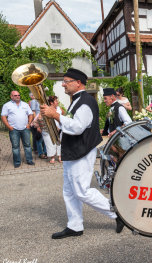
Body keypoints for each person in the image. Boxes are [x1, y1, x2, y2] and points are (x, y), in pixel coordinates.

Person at [40, 68, 124, 239]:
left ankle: (117, 213)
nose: (63, 84)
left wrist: (55, 115)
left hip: (81, 151)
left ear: (78, 83)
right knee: (69, 191)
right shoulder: (77, 100)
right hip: (74, 150)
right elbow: (71, 123)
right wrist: (58, 118)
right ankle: (75, 225)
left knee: (82, 191)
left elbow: (78, 127)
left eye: (66, 81)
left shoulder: (85, 101)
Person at [1, 91, 35, 168]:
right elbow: (3, 117)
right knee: (15, 147)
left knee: (27, 145)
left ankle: (29, 160)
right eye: (15, 95)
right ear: (11, 96)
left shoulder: (25, 104)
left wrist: (29, 124)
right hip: (14, 130)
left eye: (18, 95)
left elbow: (31, 114)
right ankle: (17, 162)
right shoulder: (7, 105)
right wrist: (9, 126)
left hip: (25, 128)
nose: (17, 96)